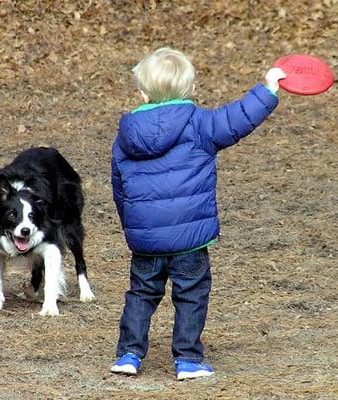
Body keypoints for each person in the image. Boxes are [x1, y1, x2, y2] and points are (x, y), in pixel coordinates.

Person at [110, 47, 285, 380]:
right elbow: (239, 118)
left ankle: (128, 354)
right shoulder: (200, 123)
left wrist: (133, 226)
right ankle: (188, 358)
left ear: (144, 93)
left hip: (146, 240)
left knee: (142, 293)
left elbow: (119, 187)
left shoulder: (127, 135)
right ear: (189, 90)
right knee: (191, 293)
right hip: (190, 242)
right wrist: (268, 88)